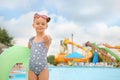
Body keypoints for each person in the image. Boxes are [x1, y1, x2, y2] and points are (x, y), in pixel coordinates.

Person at [28, 13, 52, 80]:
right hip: (31, 68)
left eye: (43, 24)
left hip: (43, 68)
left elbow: (49, 38)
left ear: (46, 26)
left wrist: (48, 37)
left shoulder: (46, 38)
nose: (40, 25)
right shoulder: (31, 40)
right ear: (33, 25)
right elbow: (27, 52)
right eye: (37, 23)